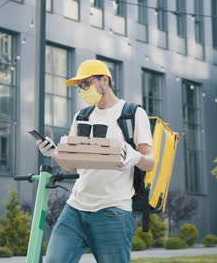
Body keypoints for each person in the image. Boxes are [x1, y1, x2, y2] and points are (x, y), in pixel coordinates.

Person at [36, 60, 155, 263]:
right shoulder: (81, 116)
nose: (82, 90)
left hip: (112, 211)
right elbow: (74, 166)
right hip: (75, 208)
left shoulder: (132, 113)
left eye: (86, 83)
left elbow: (150, 162)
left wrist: (134, 156)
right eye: (79, 86)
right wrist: (55, 153)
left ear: (104, 80)